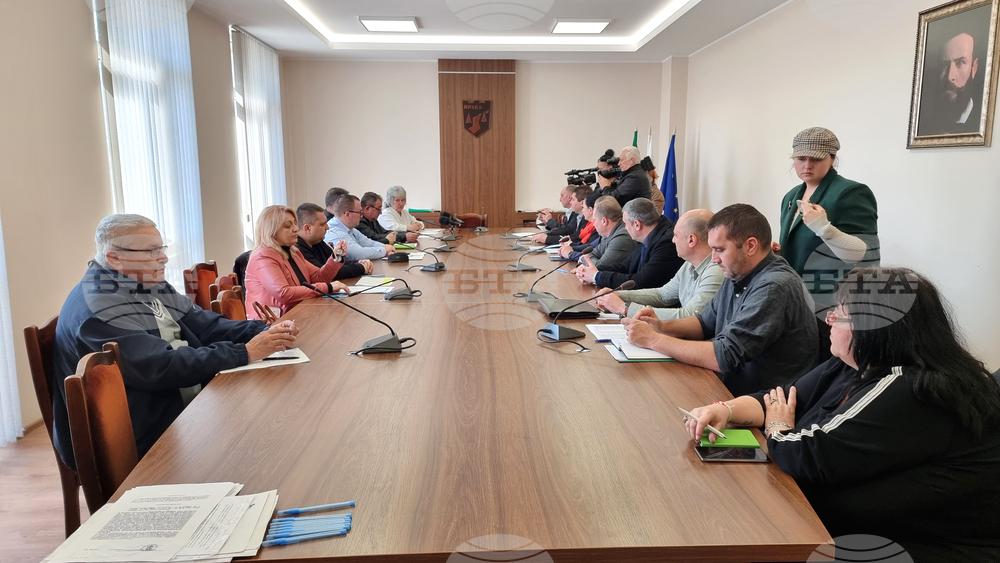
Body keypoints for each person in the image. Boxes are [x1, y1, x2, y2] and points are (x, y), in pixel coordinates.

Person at [683, 268, 1000, 560]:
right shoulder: (852, 363)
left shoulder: (911, 388)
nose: (829, 318)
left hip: (926, 549)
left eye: (842, 313)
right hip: (844, 529)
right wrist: (723, 410)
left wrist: (778, 426)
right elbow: (780, 398)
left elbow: (806, 453)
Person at [52, 214, 297, 465]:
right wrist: (243, 352)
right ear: (114, 257)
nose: (164, 258)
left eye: (162, 248)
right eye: (151, 251)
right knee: (264, 443)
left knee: (278, 418)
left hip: (180, 398)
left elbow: (204, 323)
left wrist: (261, 330)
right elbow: (159, 366)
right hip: (144, 430)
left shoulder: (144, 280)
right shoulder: (100, 308)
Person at [623, 204, 817, 396]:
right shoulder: (738, 271)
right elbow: (704, 322)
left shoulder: (773, 286)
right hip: (730, 386)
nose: (714, 259)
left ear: (750, 246)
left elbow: (725, 356)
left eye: (719, 250)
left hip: (761, 398)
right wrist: (661, 326)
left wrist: (653, 339)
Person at [778, 127, 878, 359]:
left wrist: (824, 228)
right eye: (801, 158)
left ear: (832, 158)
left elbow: (864, 253)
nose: (807, 165)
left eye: (815, 159)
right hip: (795, 302)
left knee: (824, 365)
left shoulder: (851, 192)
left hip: (831, 304)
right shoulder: (791, 196)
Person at [596, 209, 722, 320]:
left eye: (676, 235)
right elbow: (662, 295)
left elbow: (690, 316)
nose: (673, 240)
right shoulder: (689, 264)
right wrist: (617, 295)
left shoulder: (716, 271)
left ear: (691, 240)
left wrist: (624, 308)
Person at [244, 206, 350, 319]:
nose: (295, 229)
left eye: (295, 224)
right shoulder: (263, 256)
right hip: (272, 322)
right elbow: (283, 293)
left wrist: (336, 257)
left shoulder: (294, 252)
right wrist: (328, 287)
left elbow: (318, 277)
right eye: (288, 226)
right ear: (271, 231)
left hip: (298, 312)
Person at [575, 198, 683, 290]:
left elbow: (641, 281)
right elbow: (624, 266)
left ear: (637, 224)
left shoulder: (666, 243)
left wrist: (596, 276)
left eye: (626, 223)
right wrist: (592, 271)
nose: (625, 228)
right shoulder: (650, 234)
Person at [919, 30, 984, 135]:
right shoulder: (924, 126)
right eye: (944, 64)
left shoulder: (981, 122)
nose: (950, 77)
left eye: (961, 62)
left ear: (974, 68)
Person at [294, 203, 373, 278]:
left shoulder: (317, 241)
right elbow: (328, 273)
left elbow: (336, 263)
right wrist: (361, 268)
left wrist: (359, 262)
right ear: (307, 228)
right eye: (322, 224)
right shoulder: (297, 250)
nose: (327, 227)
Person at [567, 195, 638, 272]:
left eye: (595, 220)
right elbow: (594, 253)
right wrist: (586, 258)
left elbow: (600, 267)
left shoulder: (622, 238)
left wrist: (583, 259)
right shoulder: (608, 234)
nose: (594, 224)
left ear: (604, 221)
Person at [326, 194, 396, 260]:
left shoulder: (350, 228)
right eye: (359, 212)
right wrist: (384, 251)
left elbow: (368, 243)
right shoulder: (335, 231)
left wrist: (385, 247)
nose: (361, 216)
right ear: (347, 214)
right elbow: (357, 254)